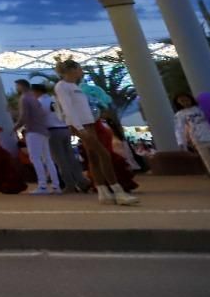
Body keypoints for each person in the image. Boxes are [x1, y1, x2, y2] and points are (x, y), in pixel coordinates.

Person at [55, 60, 138, 206]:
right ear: (72, 70)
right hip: (81, 125)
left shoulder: (74, 86)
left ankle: (103, 192)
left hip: (89, 123)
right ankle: (117, 191)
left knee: (94, 157)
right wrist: (79, 128)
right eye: (79, 68)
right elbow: (67, 108)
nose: (82, 71)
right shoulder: (62, 86)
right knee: (104, 155)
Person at [36, 82, 88, 193]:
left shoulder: (39, 103)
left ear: (36, 92)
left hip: (52, 132)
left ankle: (70, 185)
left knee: (61, 160)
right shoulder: (54, 100)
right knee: (71, 158)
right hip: (65, 129)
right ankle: (81, 181)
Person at [173, 92, 210, 197]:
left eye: (186, 99)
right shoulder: (180, 114)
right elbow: (179, 129)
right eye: (181, 101)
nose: (185, 102)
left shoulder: (201, 108)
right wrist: (181, 142)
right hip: (198, 141)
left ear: (190, 98)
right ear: (178, 103)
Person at [14, 79, 60, 194]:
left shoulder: (24, 98)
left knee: (35, 158)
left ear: (21, 86)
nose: (16, 88)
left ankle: (42, 185)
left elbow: (24, 115)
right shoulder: (34, 99)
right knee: (47, 158)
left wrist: (16, 127)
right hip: (43, 130)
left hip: (33, 130)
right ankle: (56, 185)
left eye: (17, 86)